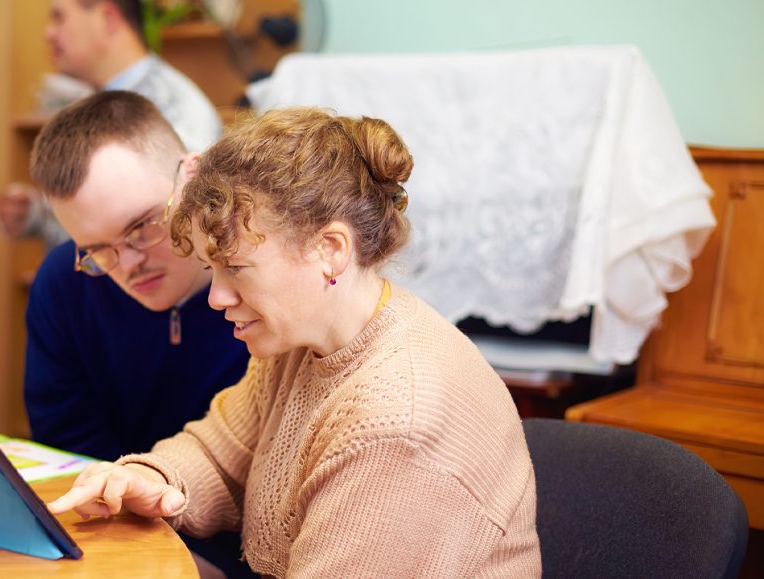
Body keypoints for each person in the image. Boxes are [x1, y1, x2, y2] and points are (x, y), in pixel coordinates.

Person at [47, 107, 542, 577]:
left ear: (330, 250)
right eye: (210, 269)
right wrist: (151, 480)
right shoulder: (301, 343)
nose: (217, 298)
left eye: (236, 268)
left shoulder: (397, 425)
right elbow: (220, 454)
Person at [28, 90, 252, 578]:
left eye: (144, 226)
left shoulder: (262, 288)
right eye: (98, 249)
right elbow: (65, 449)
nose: (128, 264)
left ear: (192, 175)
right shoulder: (64, 282)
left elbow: (270, 484)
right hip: (112, 538)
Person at [0, 0, 222, 242]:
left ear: (107, 19)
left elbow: (176, 234)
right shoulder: (97, 103)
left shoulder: (174, 109)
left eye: (59, 18)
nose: (48, 33)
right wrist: (37, 213)